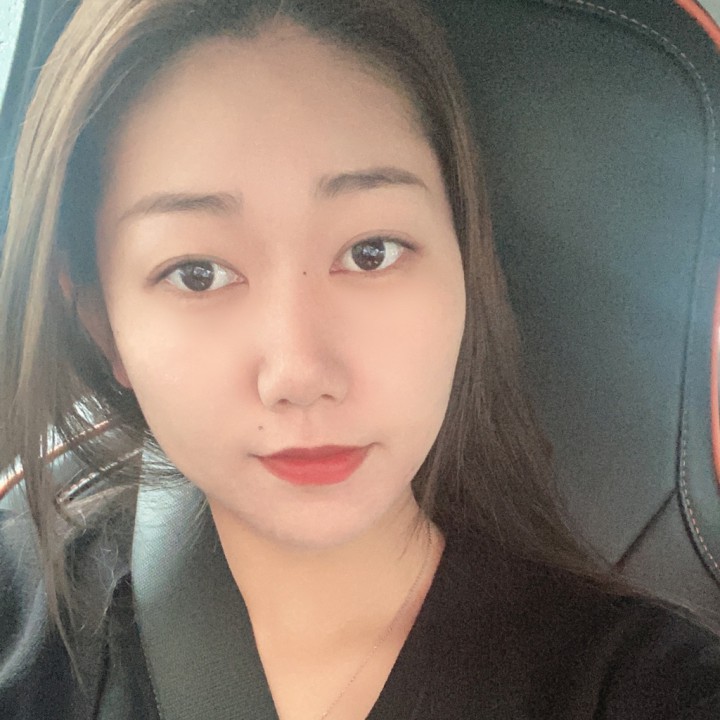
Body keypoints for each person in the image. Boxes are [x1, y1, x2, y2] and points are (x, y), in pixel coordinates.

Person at [0, 0, 718, 718]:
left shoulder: (647, 685)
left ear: (464, 269)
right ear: (103, 325)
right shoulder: (24, 625)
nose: (300, 374)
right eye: (197, 273)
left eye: (371, 253)